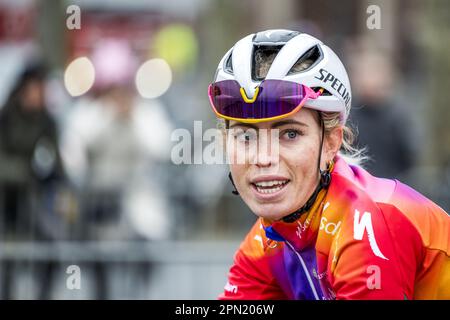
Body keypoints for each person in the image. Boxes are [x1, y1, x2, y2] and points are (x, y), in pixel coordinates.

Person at [207, 29, 450, 300]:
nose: (263, 158)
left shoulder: (367, 225)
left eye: (289, 134)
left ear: (332, 143)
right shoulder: (269, 238)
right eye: (246, 136)